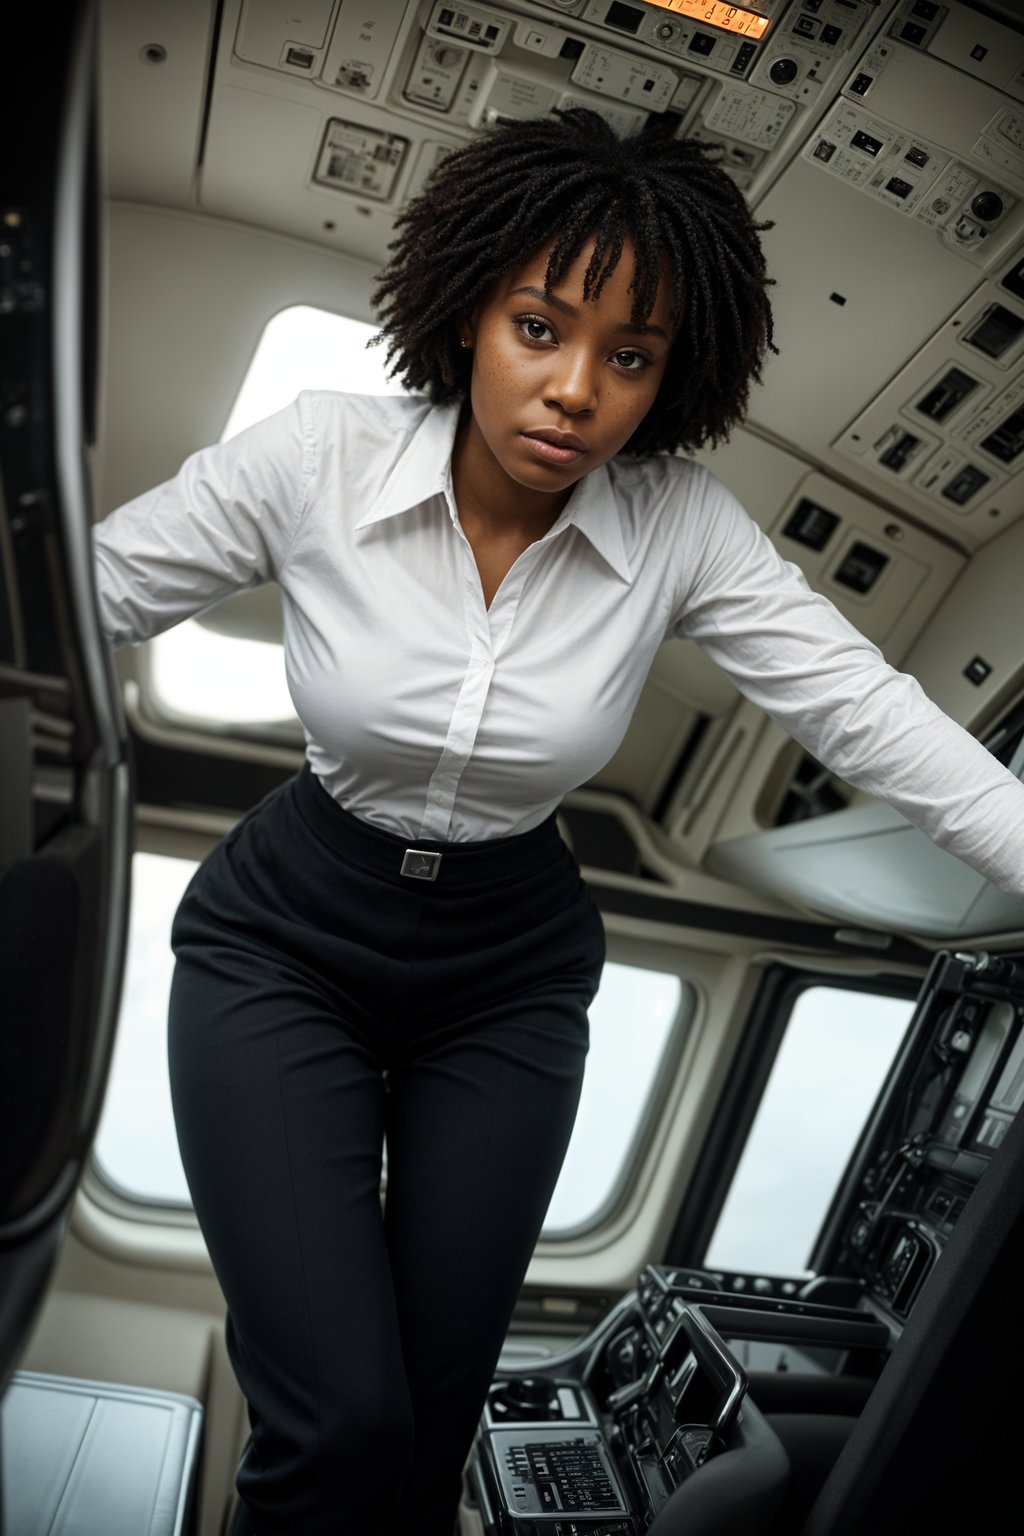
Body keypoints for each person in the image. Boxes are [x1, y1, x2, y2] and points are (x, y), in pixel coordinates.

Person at [91, 107, 1024, 1536]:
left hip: (506, 979)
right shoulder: (318, 456)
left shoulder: (682, 529)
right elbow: (73, 598)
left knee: (430, 1416)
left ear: (674, 378)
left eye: (630, 356)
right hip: (285, 941)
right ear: (469, 310)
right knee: (339, 1419)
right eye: (542, 326)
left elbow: (870, 713)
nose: (575, 389)